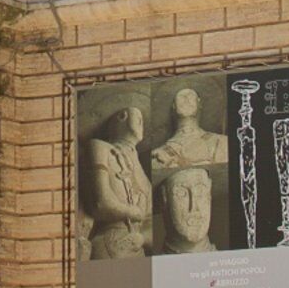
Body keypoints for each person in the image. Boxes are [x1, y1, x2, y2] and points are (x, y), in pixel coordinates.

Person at [146, 85, 231, 254]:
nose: (194, 208)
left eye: (200, 192)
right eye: (182, 194)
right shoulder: (157, 157)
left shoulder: (221, 144)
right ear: (165, 198)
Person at [83, 103, 152, 265]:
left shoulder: (141, 170)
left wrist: (142, 238)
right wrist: (133, 212)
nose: (141, 121)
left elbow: (149, 222)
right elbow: (101, 204)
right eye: (135, 115)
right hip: (110, 244)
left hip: (137, 248)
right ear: (120, 118)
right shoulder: (99, 147)